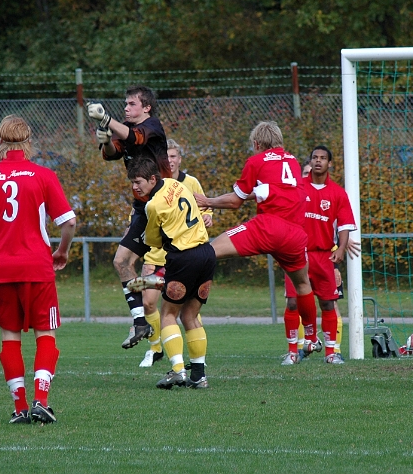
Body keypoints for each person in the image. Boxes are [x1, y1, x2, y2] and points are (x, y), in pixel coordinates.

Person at [0, 115, 76, 424]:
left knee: (9, 338)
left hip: (0, 269)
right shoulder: (43, 175)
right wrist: (62, 251)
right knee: (45, 334)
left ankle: (20, 407)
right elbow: (69, 222)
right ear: (29, 141)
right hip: (37, 267)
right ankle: (42, 401)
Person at [194, 120, 316, 367]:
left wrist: (208, 201)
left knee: (208, 251)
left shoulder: (256, 161)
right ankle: (312, 338)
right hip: (295, 233)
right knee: (303, 284)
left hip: (268, 227)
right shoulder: (292, 161)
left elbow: (235, 201)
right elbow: (271, 190)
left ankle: (171, 279)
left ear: (257, 143)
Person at [87, 86, 172, 349]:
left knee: (178, 269)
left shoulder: (153, 126)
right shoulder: (125, 128)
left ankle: (166, 283)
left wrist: (105, 119)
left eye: (132, 104)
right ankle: (140, 322)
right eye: (125, 104)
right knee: (121, 261)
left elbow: (135, 138)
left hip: (165, 206)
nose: (126, 108)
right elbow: (112, 153)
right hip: (143, 208)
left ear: (146, 107)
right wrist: (105, 139)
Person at [126, 157, 216, 388]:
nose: (135, 187)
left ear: (152, 179)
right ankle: (199, 376)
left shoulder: (153, 205)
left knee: (167, 314)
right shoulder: (175, 184)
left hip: (183, 256)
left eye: (138, 182)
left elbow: (154, 241)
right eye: (132, 182)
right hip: (207, 253)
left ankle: (177, 371)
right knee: (190, 316)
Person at [281, 146, 357, 365]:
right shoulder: (297, 187)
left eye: (323, 158)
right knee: (293, 302)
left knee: (328, 304)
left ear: (329, 163)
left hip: (323, 256)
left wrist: (340, 249)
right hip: (297, 254)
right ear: (310, 161)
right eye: (315, 157)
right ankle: (293, 352)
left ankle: (330, 353)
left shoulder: (337, 193)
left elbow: (345, 225)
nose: (318, 161)